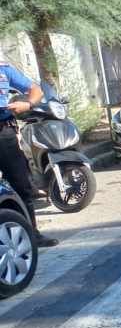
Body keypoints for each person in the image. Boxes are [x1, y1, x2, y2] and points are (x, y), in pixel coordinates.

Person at [0, 61, 58, 247]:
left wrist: (28, 104)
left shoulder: (4, 69)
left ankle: (31, 234)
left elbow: (36, 90)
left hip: (3, 134)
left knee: (21, 185)